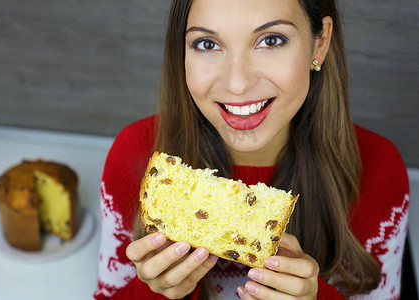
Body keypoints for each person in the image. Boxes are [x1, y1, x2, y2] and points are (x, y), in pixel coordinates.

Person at [93, 0, 410, 299]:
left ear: (320, 43)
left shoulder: (379, 169)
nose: (237, 84)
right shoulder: (135, 155)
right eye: (207, 44)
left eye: (271, 40)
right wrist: (155, 292)